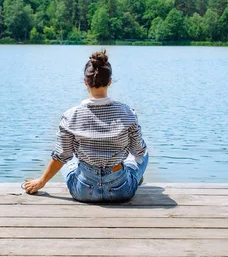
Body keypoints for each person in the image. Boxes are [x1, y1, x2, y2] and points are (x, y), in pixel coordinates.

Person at [23, 50, 149, 202]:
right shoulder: (128, 113)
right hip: (121, 190)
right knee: (143, 153)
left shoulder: (71, 116)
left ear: (85, 82)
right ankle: (132, 175)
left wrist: (40, 182)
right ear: (110, 82)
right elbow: (138, 152)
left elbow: (60, 156)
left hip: (83, 191)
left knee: (65, 157)